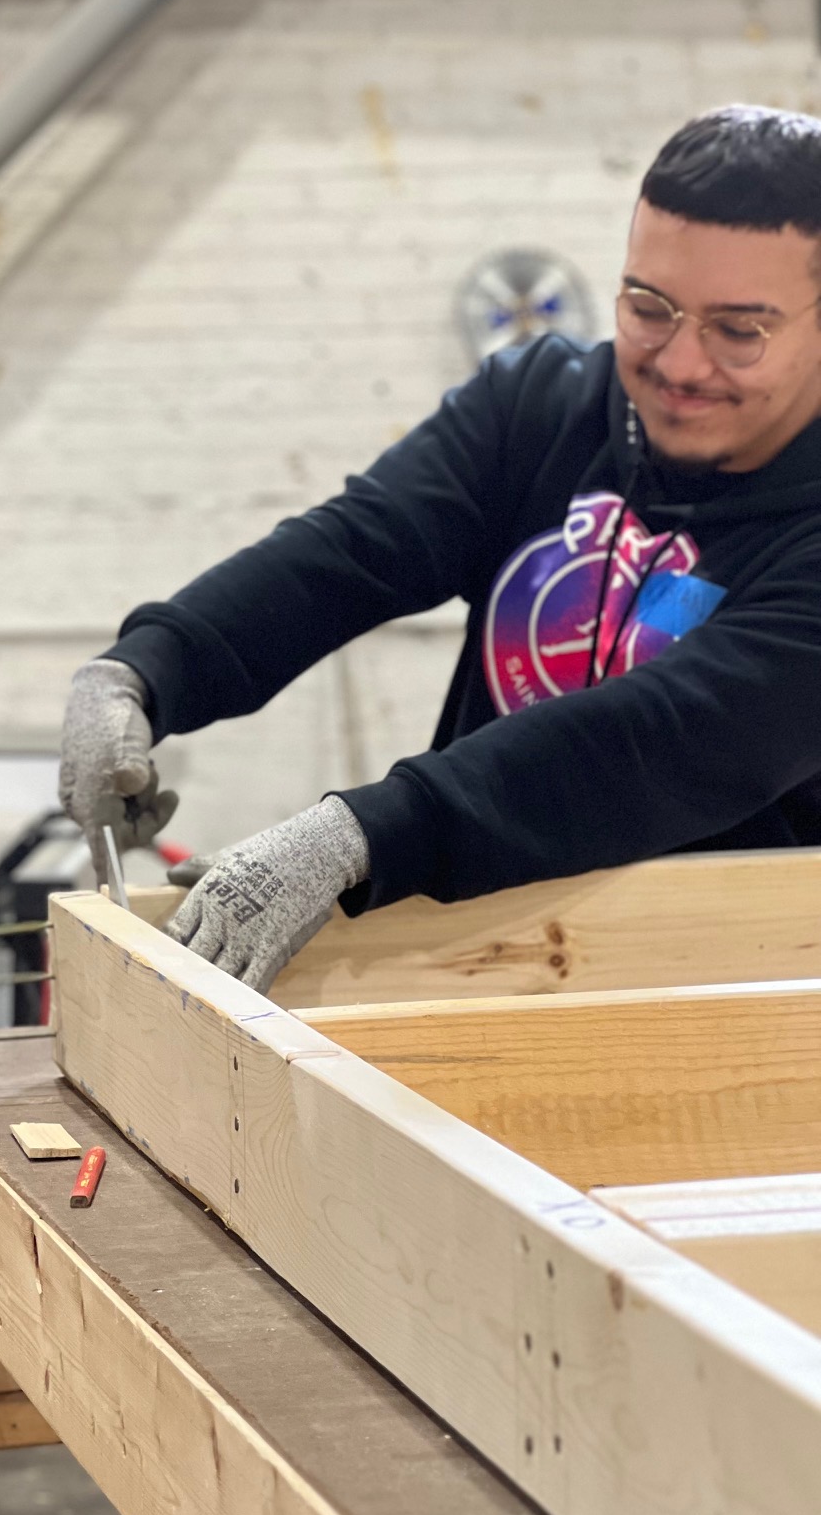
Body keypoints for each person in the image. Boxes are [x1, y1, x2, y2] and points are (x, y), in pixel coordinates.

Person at [59, 105, 821, 992]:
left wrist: (364, 832)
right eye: (650, 308)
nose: (681, 364)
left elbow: (655, 739)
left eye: (739, 331)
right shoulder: (540, 408)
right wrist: (145, 670)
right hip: (488, 970)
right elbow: (349, 554)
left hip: (743, 1006)